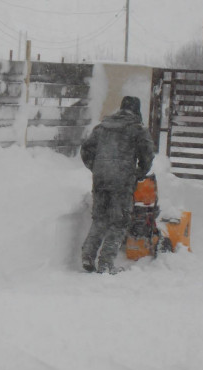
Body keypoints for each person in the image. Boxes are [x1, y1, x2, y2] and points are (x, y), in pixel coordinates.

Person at [80, 96, 156, 274]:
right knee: (119, 222)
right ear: (137, 111)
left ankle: (88, 255)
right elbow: (147, 155)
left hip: (101, 179)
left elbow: (86, 150)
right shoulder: (137, 129)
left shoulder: (102, 127)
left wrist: (96, 168)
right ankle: (106, 263)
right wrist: (138, 173)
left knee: (100, 218)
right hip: (122, 181)